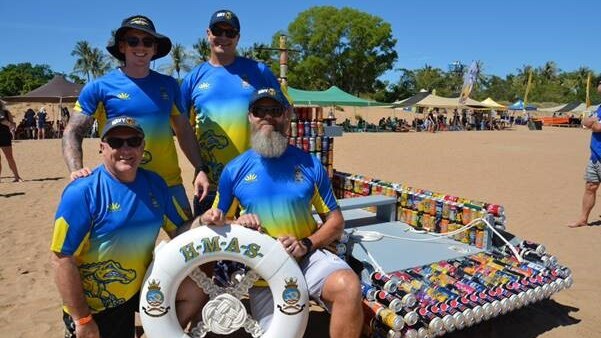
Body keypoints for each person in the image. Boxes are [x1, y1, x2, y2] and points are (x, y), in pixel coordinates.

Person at [200, 88, 363, 338]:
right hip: (262, 270)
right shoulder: (234, 170)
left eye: (275, 110)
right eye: (259, 111)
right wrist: (237, 223)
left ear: (287, 116)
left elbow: (336, 221)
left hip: (306, 259)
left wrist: (306, 244)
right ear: (250, 117)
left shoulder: (310, 164)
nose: (267, 117)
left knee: (348, 286)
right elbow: (215, 222)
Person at [51, 116, 203, 338]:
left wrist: (204, 221)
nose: (125, 148)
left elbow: (178, 231)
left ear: (142, 147)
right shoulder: (82, 192)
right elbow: (61, 259)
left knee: (196, 290)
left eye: (133, 141)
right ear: (102, 147)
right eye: (116, 142)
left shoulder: (155, 183)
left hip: (138, 288)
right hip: (96, 305)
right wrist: (82, 319)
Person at [63, 15, 209, 219]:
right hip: (121, 186)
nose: (141, 47)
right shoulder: (99, 87)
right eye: (133, 41)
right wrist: (76, 170)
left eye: (147, 41)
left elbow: (183, 130)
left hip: (168, 183)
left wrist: (200, 168)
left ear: (155, 49)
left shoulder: (169, 85)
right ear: (122, 46)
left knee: (186, 243)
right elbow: (73, 131)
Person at [181, 9, 285, 216]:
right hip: (210, 184)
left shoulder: (259, 71)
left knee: (258, 243)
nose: (224, 37)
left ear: (238, 38)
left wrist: (275, 152)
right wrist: (199, 167)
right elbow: (182, 129)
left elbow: (284, 111)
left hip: (255, 179)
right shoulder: (193, 78)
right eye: (219, 31)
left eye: (230, 33)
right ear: (208, 33)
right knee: (212, 245)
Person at [568, 79, 601, 228]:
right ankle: (583, 219)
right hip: (594, 156)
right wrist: (590, 122)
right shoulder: (600, 107)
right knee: (590, 187)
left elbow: (597, 127)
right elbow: (584, 122)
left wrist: (591, 123)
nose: (599, 86)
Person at [0, 103, 23, 182]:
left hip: (4, 136)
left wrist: (8, 123)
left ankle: (17, 176)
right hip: (4, 136)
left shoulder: (6, 112)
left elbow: (13, 125)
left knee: (9, 157)